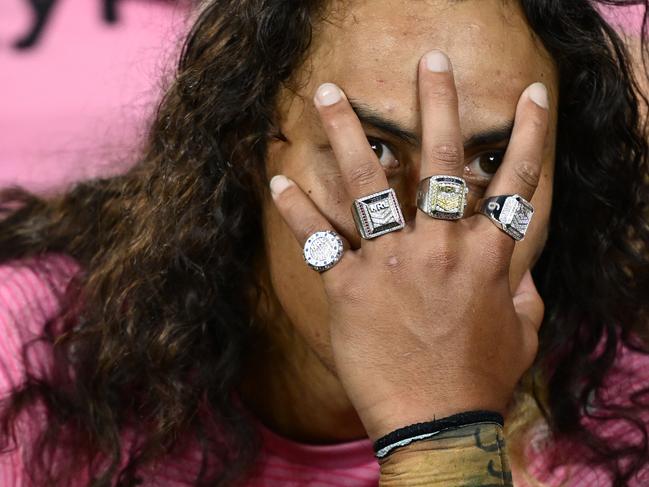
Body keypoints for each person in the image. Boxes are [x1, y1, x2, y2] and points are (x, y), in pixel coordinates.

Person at [0, 0, 648, 485]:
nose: (428, 239)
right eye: (370, 149)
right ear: (246, 147)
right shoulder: (31, 347)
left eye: (491, 161)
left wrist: (444, 433)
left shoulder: (624, 420)